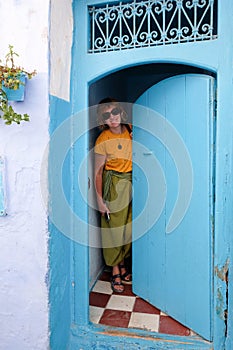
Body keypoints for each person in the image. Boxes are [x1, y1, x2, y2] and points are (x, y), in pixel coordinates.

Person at [94, 98, 132, 293]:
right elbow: (98, 173)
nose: (113, 117)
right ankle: (116, 270)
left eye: (115, 111)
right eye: (107, 115)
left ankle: (123, 263)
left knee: (128, 229)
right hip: (114, 185)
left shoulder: (131, 130)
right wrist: (100, 201)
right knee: (114, 230)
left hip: (132, 183)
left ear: (121, 111)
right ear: (103, 119)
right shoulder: (103, 140)